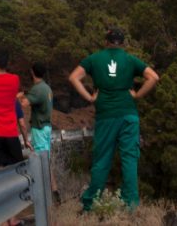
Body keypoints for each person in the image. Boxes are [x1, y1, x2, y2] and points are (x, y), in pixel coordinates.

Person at [68, 27, 159, 212]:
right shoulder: (130, 59)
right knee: (129, 159)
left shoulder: (94, 59)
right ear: (123, 43)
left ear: (106, 41)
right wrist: (137, 95)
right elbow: (154, 77)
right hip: (128, 115)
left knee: (101, 160)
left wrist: (89, 97)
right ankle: (130, 205)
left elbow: (73, 77)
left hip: (106, 116)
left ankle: (90, 204)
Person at [25, 62, 60, 204]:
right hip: (47, 128)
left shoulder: (37, 89)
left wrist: (18, 96)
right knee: (46, 161)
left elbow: (24, 103)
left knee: (40, 163)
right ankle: (54, 191)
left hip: (39, 128)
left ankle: (44, 199)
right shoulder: (47, 88)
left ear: (32, 72)